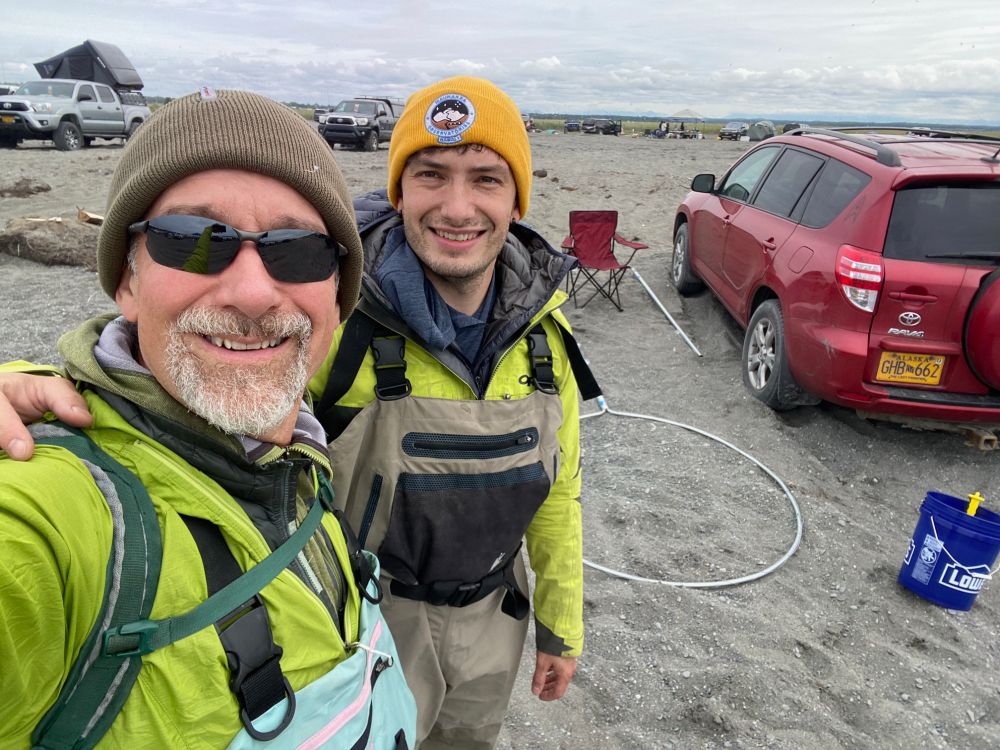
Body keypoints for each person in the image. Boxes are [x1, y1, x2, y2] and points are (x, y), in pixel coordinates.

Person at [0, 76, 588, 749]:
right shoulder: (339, 330)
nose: (254, 291)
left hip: (495, 619)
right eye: (194, 239)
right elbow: (181, 404)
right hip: (372, 614)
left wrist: (560, 623)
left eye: (486, 179)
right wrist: (43, 389)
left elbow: (560, 489)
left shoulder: (547, 336)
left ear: (518, 200)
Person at [0, 89, 415, 748]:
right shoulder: (44, 512)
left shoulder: (298, 451)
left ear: (337, 295)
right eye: (194, 239)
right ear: (127, 282)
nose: (252, 292)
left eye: (299, 249)